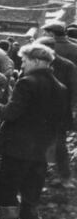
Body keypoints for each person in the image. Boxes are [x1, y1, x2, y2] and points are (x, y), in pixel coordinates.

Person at [0, 44, 69, 219]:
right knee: (32, 191)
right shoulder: (61, 87)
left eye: (24, 60)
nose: (22, 64)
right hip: (42, 151)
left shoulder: (27, 83)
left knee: (7, 188)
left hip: (18, 149)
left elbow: (9, 113)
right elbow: (63, 123)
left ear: (36, 61)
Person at [37, 36, 77, 188]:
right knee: (38, 144)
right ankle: (39, 176)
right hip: (39, 112)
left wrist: (73, 110)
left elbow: (74, 90)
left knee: (60, 144)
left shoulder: (67, 66)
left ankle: (64, 176)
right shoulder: (36, 65)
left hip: (59, 112)